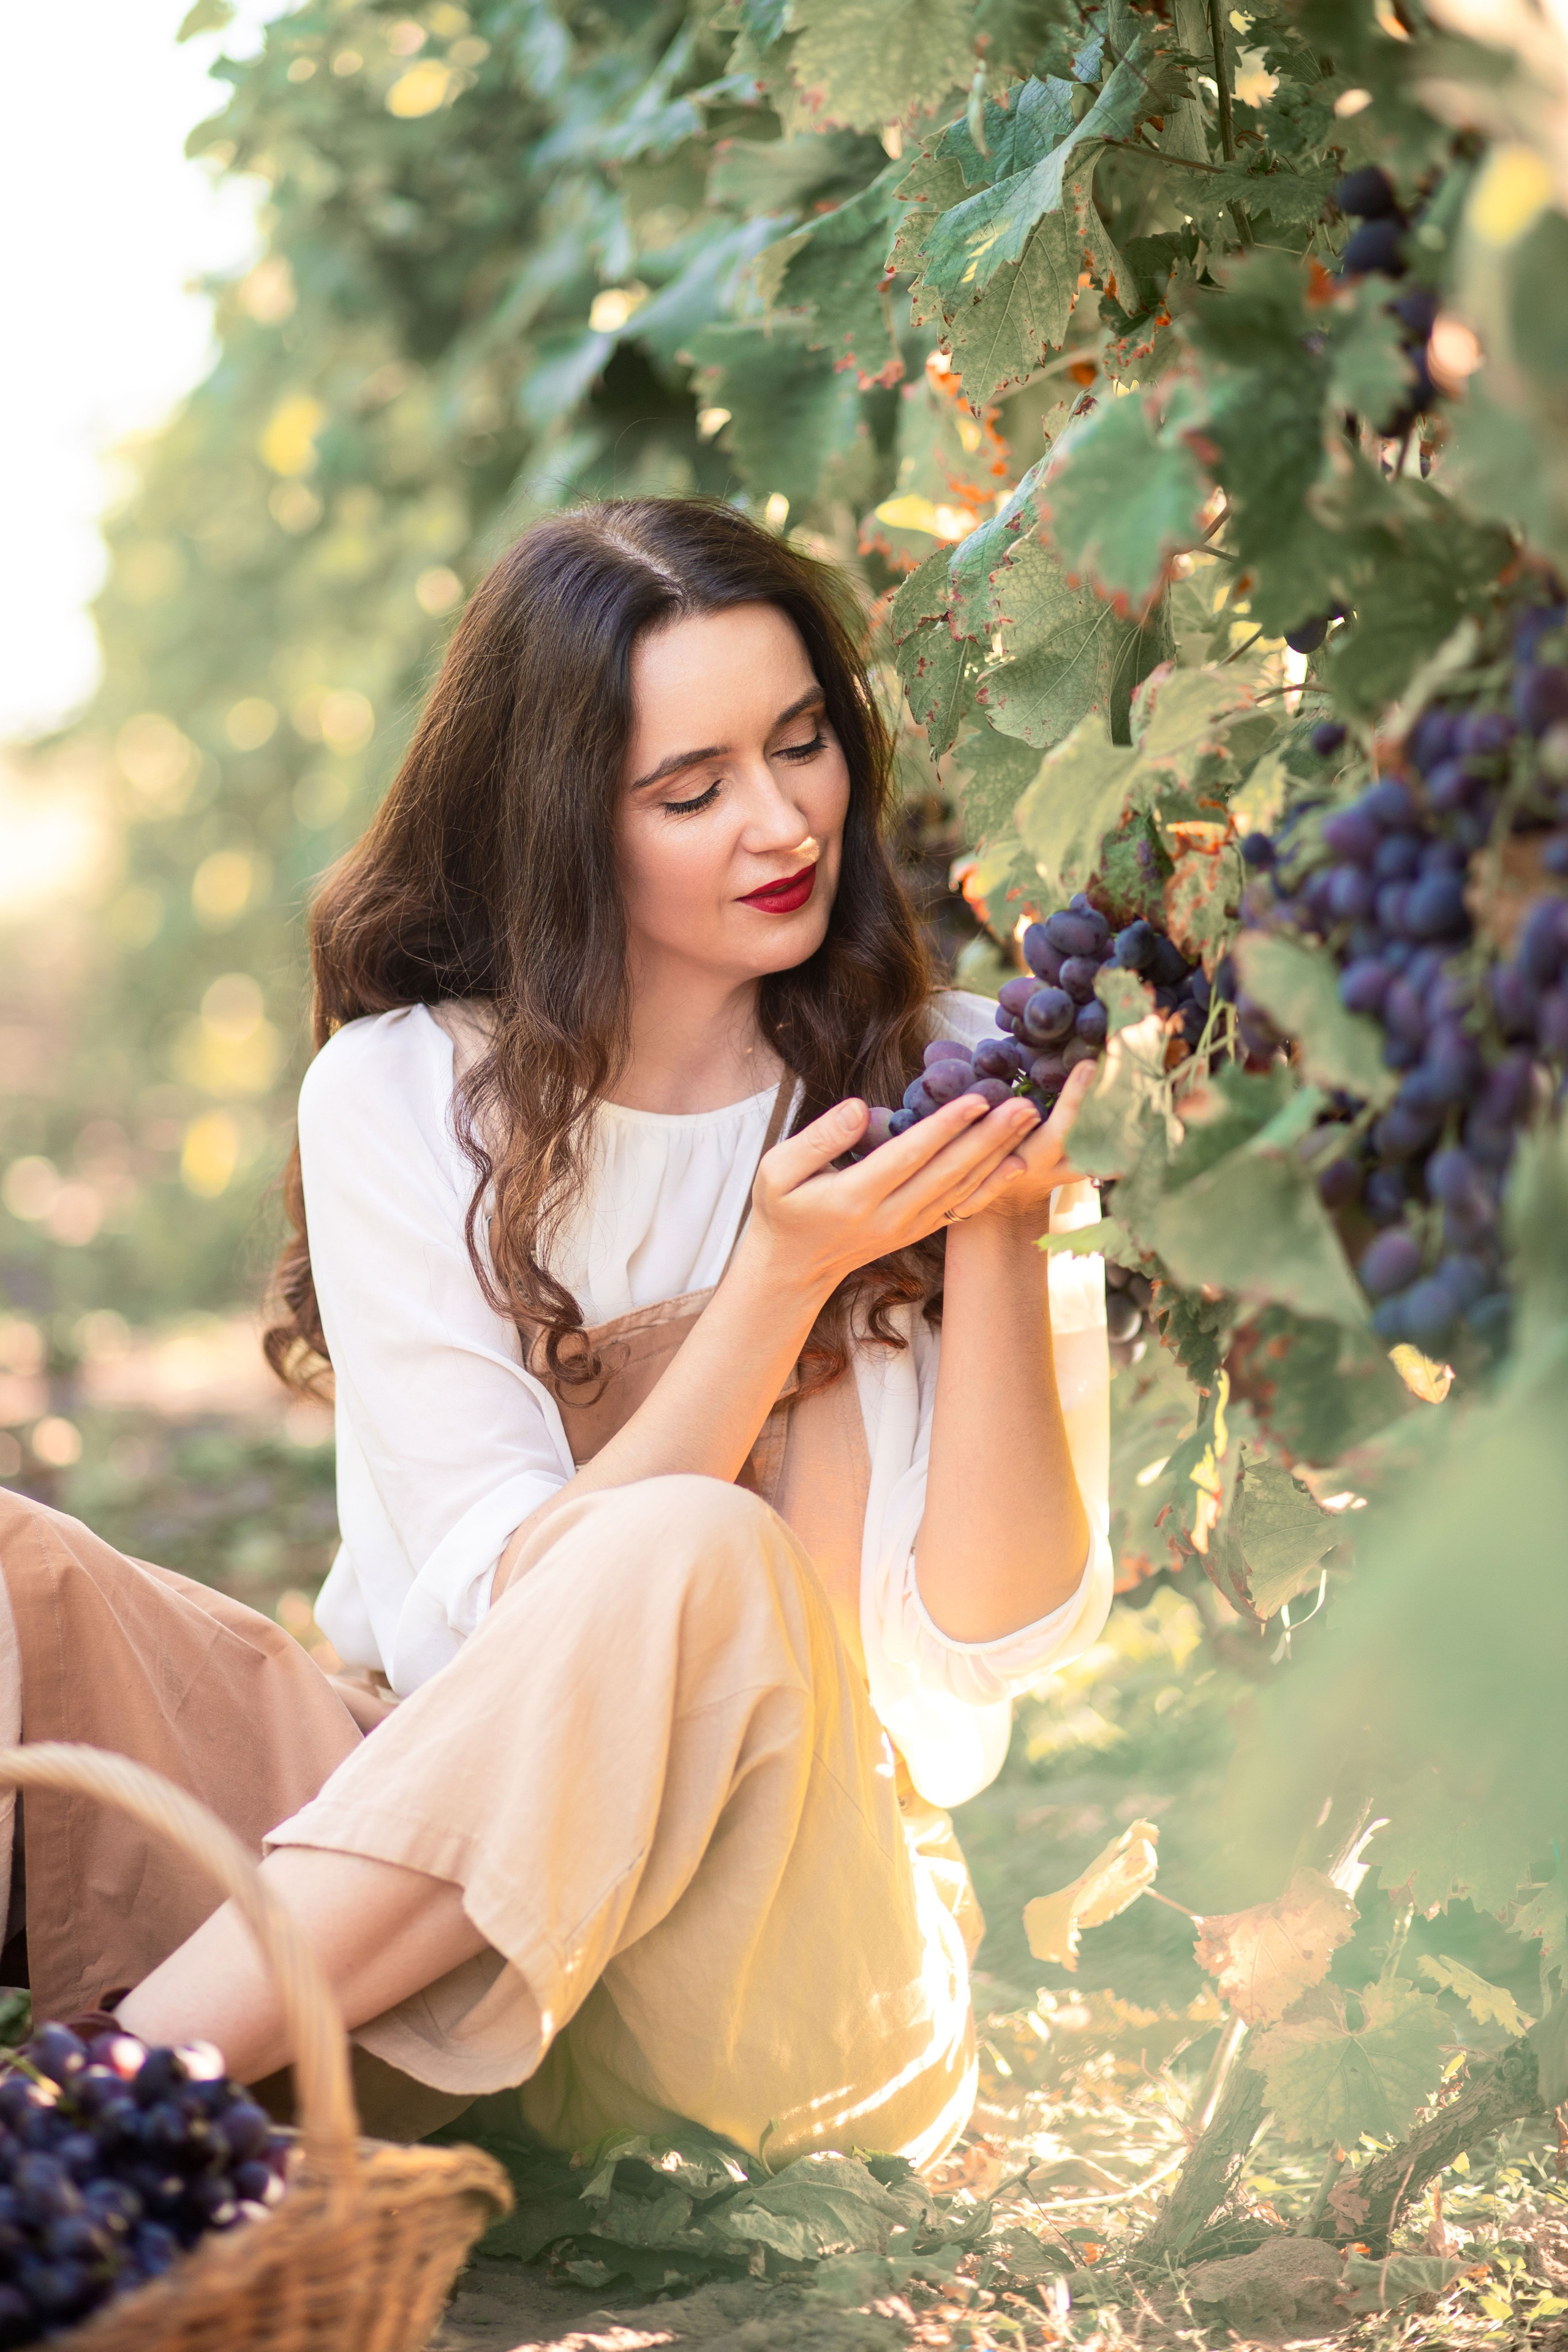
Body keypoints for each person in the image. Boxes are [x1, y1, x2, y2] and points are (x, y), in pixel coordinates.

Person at [0, 497, 1110, 2166]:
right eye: (692, 790)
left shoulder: (951, 1074)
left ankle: (97, 2121)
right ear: (561, 822)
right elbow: (489, 1627)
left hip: (786, 1948)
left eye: (802, 744)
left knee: (689, 1549)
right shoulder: (405, 1092)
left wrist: (1007, 1227)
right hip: (409, 1858)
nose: (781, 822)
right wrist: (776, 1283)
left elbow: (992, 1645)